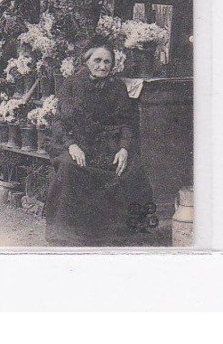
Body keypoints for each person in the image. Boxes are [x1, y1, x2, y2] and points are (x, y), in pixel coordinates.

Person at [43, 39, 155, 246]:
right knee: (70, 166)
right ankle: (68, 229)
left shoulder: (118, 88)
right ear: (86, 61)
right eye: (97, 60)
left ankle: (118, 231)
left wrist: (123, 148)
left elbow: (127, 122)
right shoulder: (71, 85)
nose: (102, 66)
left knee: (132, 167)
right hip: (75, 141)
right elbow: (60, 122)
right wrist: (72, 145)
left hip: (107, 143)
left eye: (107, 62)